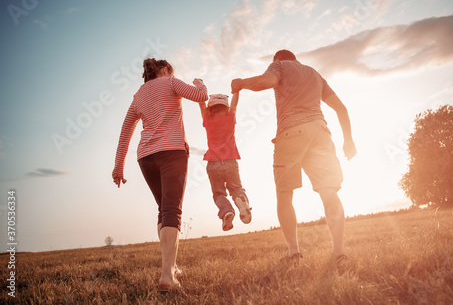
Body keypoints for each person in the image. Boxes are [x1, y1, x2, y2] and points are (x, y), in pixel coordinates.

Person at [231, 49, 357, 264]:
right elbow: (341, 109)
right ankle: (339, 253)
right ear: (296, 59)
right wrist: (348, 140)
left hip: (291, 133)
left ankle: (294, 253)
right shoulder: (315, 74)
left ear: (277, 60)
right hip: (320, 133)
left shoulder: (279, 66)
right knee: (329, 193)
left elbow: (266, 81)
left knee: (285, 193)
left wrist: (241, 83)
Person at [112, 58, 208, 291]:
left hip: (146, 157)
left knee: (163, 210)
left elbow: (126, 131)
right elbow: (200, 96)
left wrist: (118, 167)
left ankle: (170, 267)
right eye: (170, 71)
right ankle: (167, 276)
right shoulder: (171, 82)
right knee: (172, 210)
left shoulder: (138, 95)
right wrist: (200, 83)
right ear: (164, 70)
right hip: (172, 152)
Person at [198, 91, 252, 231]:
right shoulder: (230, 117)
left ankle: (226, 211)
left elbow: (201, 102)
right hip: (230, 161)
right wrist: (237, 91)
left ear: (210, 108)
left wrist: (199, 85)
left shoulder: (207, 119)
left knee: (219, 193)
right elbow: (235, 103)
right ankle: (241, 199)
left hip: (213, 163)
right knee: (236, 188)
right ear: (226, 108)